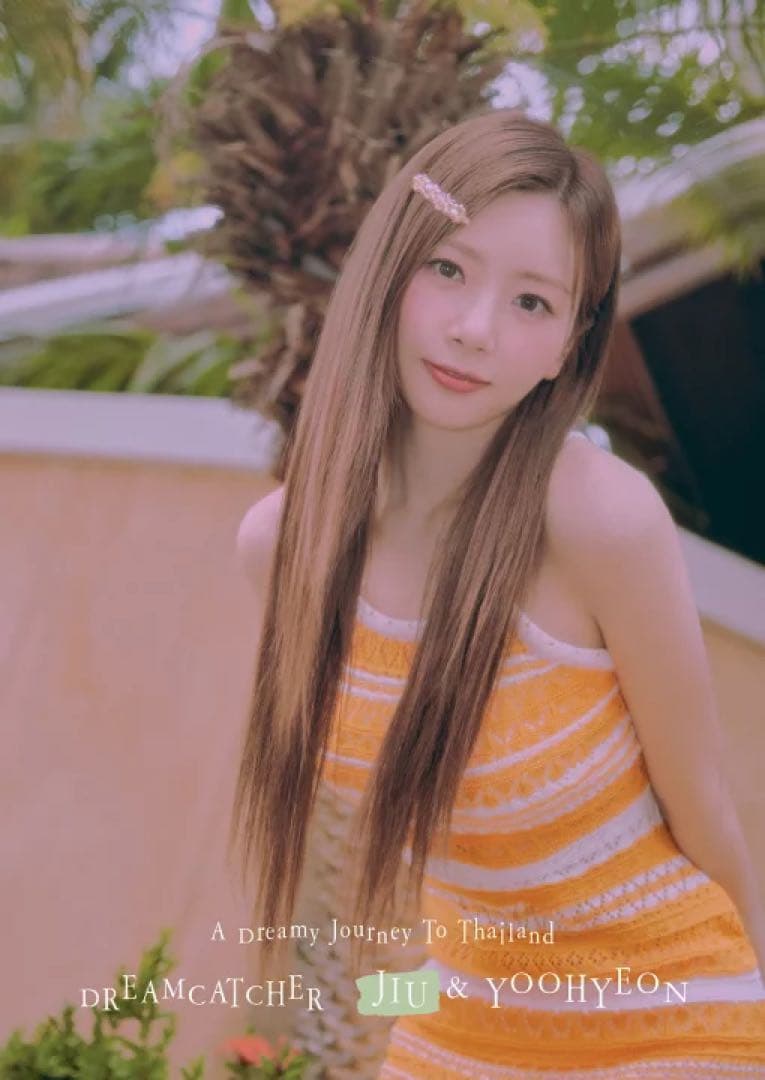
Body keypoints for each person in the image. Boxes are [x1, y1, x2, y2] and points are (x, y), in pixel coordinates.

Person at [233, 109, 765, 1075]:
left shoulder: (599, 521)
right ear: (389, 271)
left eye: (531, 302)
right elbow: (414, 891)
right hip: (467, 1017)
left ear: (566, 345)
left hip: (670, 1015)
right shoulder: (282, 549)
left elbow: (707, 816)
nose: (474, 330)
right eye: (447, 269)